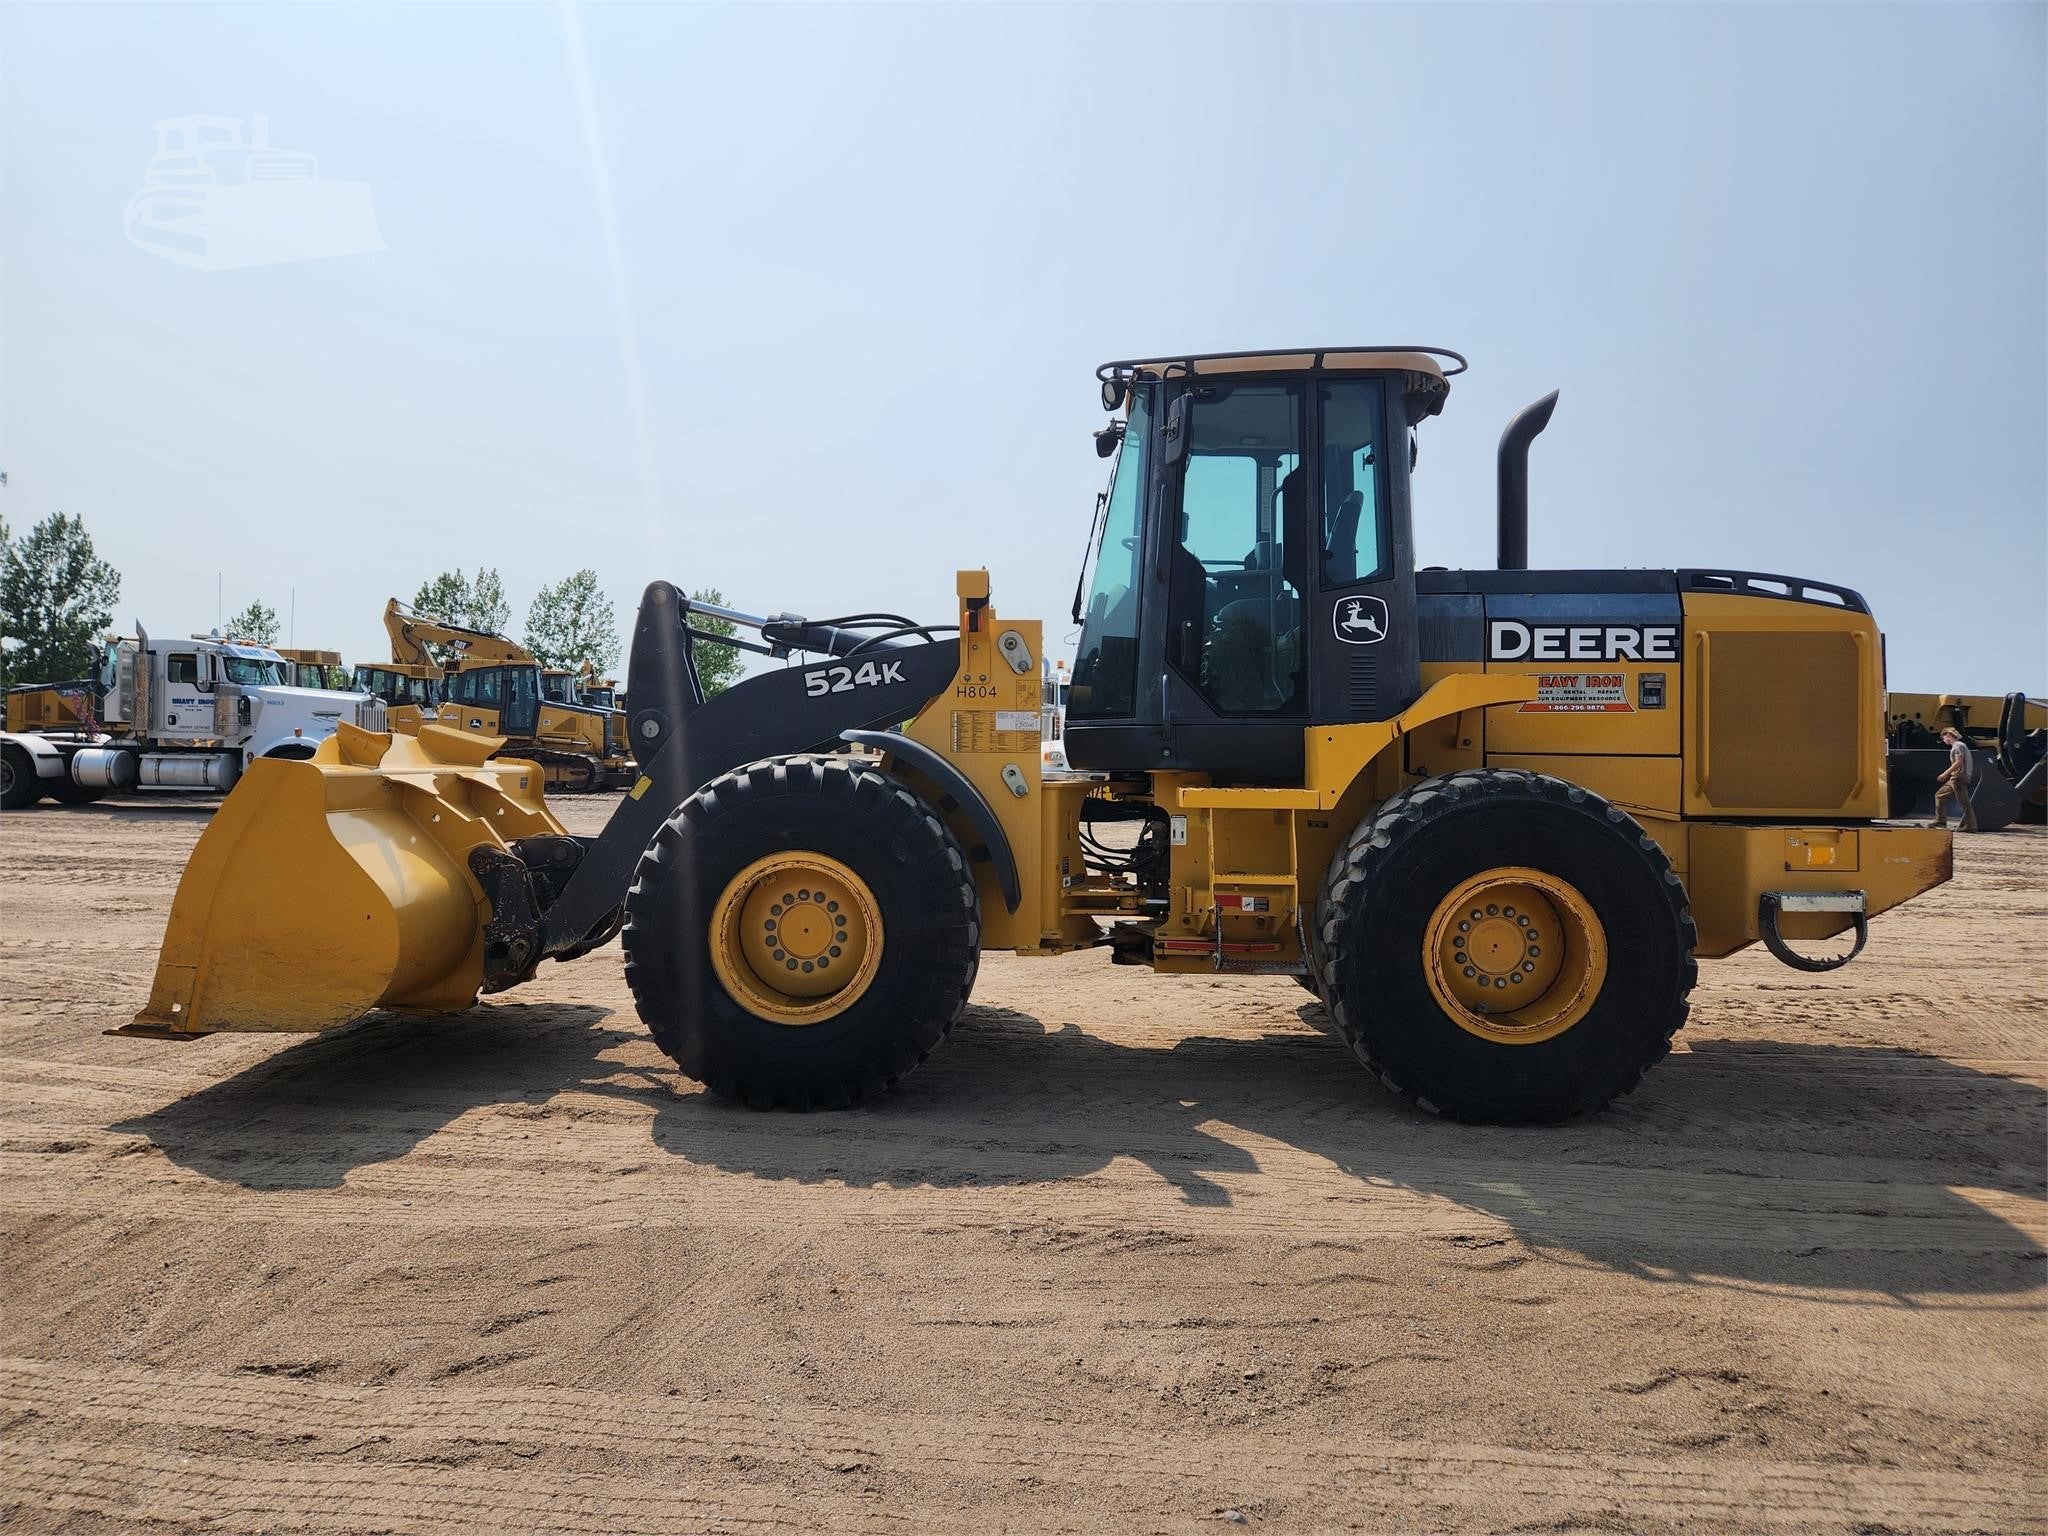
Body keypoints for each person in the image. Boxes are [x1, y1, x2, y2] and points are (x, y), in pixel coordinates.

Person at [1931, 726, 1980, 833]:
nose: (1944, 740)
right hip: (1956, 777)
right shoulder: (1960, 746)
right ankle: (1940, 821)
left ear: (1948, 735)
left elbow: (1958, 762)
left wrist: (1945, 774)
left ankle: (1970, 825)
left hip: (1959, 777)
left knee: (1964, 802)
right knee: (1940, 795)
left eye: (1944, 738)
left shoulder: (1958, 746)